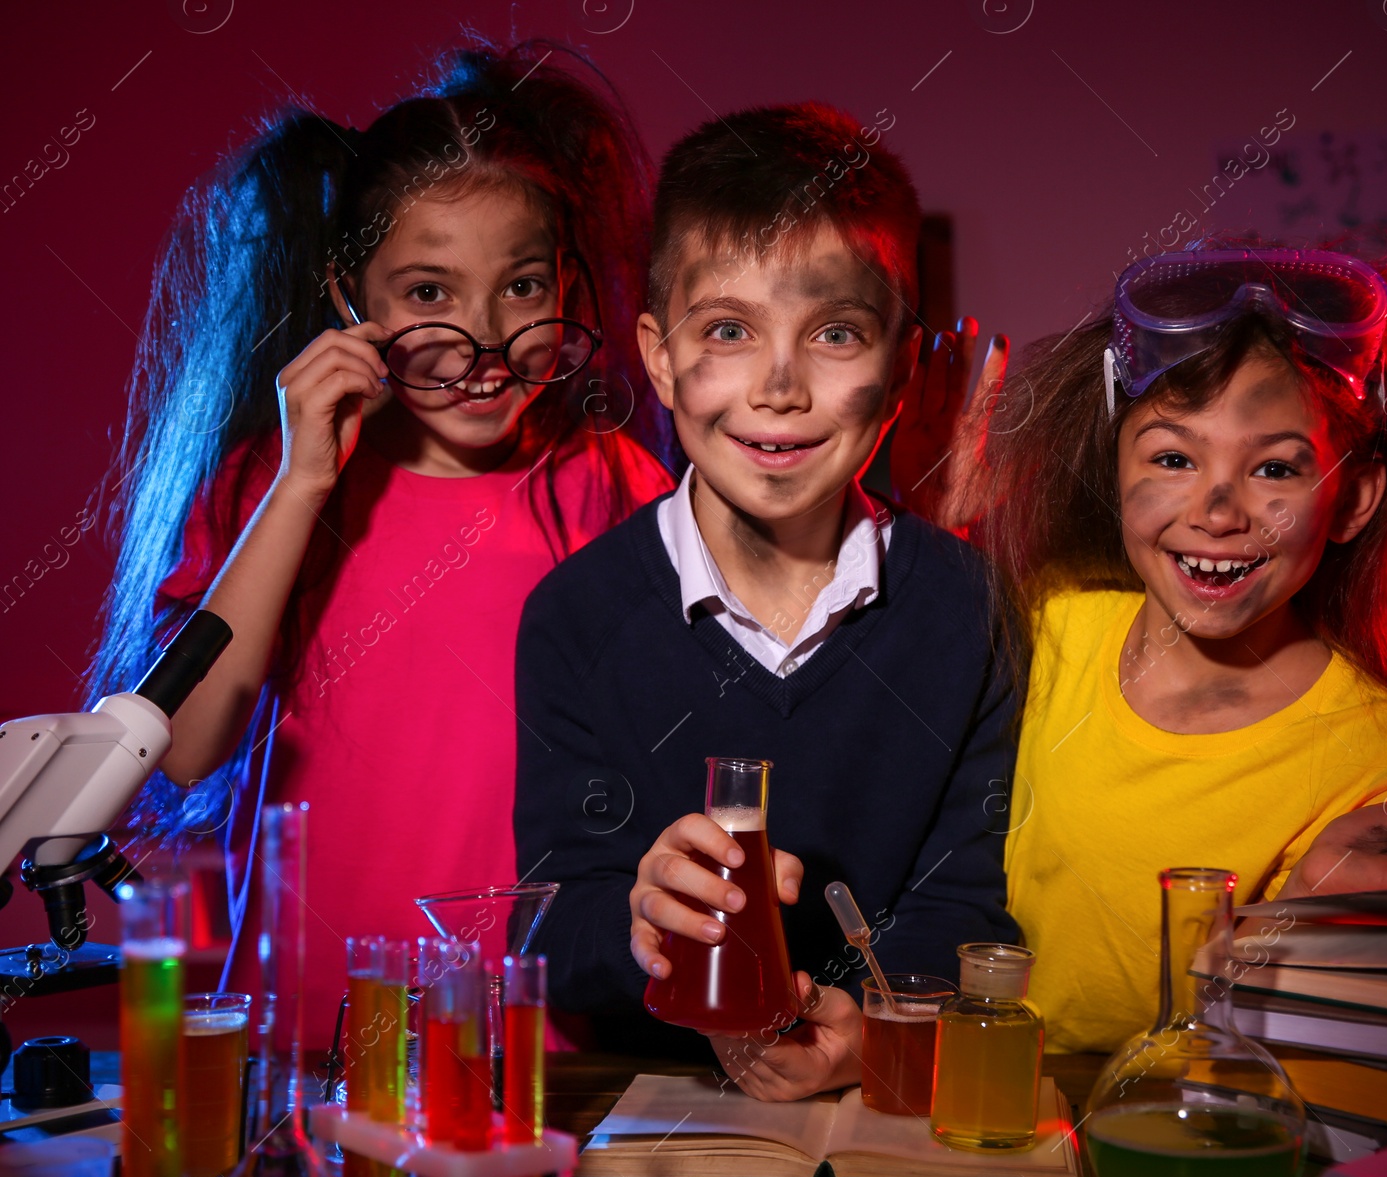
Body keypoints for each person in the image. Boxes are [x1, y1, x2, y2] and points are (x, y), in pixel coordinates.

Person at [88, 38, 673, 1051]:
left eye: (523, 287)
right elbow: (185, 747)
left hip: (541, 1035)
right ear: (348, 294)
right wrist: (302, 480)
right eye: (429, 294)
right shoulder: (273, 483)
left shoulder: (622, 488)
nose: (484, 340)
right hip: (307, 1028)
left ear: (571, 284)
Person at [946, 243, 1387, 1053]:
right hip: (990, 1103)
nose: (1217, 511)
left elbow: (1329, 1051)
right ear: (1115, 469)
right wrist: (931, 550)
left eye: (1275, 468)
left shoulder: (1381, 754)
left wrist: (1303, 921)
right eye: (1174, 457)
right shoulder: (1052, 626)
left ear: (1350, 500)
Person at [514, 102, 1018, 1099]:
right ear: (658, 356)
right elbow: (549, 923)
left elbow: (970, 897)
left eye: (834, 333)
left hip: (885, 1105)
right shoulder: (575, 614)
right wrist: (638, 917)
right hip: (646, 1111)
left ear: (904, 366)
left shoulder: (974, 611)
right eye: (729, 331)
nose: (778, 387)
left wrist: (868, 1024)